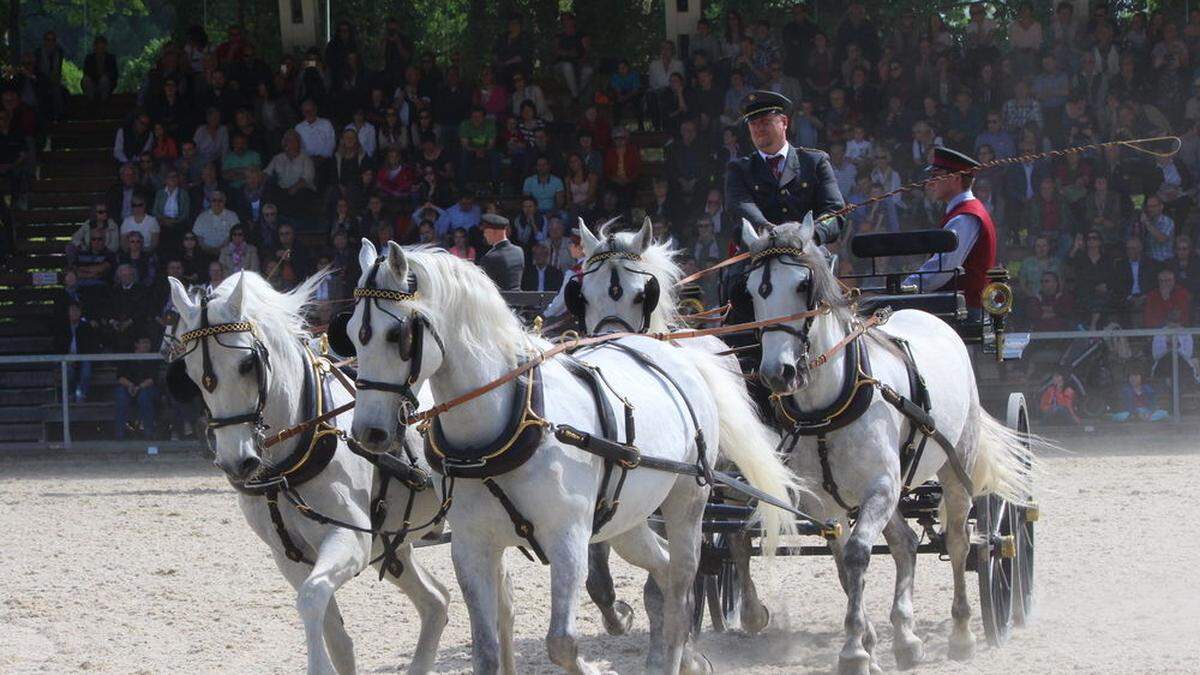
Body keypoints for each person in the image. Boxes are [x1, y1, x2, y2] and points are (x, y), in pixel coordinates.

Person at [725, 91, 846, 246]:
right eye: (753, 124)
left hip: (807, 251)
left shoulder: (815, 162)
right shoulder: (739, 169)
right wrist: (768, 230)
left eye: (765, 121)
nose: (759, 128)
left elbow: (835, 212)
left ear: (784, 122)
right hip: (757, 253)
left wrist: (812, 234)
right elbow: (739, 206)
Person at [902, 147, 997, 313]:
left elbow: (943, 269)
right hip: (958, 309)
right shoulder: (962, 212)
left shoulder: (965, 217)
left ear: (955, 178)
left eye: (936, 176)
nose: (930, 183)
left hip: (964, 312)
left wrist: (903, 289)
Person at [114, 335, 159, 440]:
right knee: (121, 396)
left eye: (148, 342)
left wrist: (139, 387)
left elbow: (153, 379)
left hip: (146, 388)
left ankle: (149, 433)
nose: (147, 345)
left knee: (144, 396)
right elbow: (120, 376)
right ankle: (119, 435)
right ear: (136, 344)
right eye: (144, 342)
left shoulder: (153, 358)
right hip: (128, 387)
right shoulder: (127, 357)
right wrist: (130, 385)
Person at [55, 303, 99, 403]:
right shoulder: (62, 328)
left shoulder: (86, 327)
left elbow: (91, 345)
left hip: (83, 357)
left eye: (77, 310)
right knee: (68, 370)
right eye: (72, 310)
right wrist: (67, 356)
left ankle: (82, 395)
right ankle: (70, 394)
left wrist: (79, 356)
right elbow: (58, 346)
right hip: (66, 358)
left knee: (86, 370)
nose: (75, 313)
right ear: (68, 312)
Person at [478, 214, 523, 291]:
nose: (484, 235)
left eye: (486, 232)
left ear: (493, 232)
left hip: (499, 300)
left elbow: (482, 285)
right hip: (518, 300)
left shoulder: (491, 257)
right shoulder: (519, 251)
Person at [82, 35, 118, 102]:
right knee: (86, 80)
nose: (100, 49)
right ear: (94, 47)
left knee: (104, 81)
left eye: (102, 46)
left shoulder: (111, 58)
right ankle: (91, 102)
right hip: (92, 83)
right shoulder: (89, 58)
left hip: (107, 83)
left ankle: (103, 103)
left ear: (105, 46)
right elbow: (86, 72)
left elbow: (114, 73)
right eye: (98, 46)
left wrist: (105, 76)